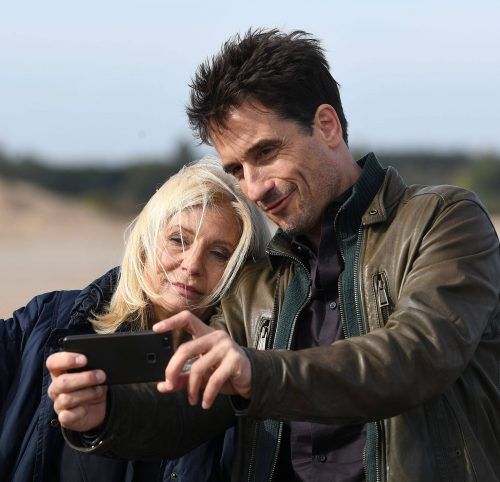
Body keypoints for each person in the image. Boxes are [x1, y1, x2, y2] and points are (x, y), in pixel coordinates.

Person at [47, 29, 500, 481]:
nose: (254, 188)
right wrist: (105, 413)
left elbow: (417, 355)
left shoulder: (443, 218)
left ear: (327, 126)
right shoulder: (256, 281)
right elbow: (194, 402)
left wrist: (257, 372)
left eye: (265, 152)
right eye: (237, 170)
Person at [0, 159, 270, 481]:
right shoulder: (48, 321)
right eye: (178, 240)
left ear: (242, 272)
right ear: (145, 244)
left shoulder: (248, 365)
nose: (192, 264)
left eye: (219, 253)